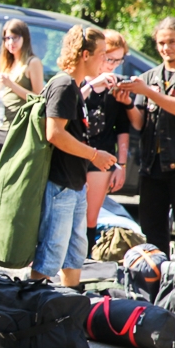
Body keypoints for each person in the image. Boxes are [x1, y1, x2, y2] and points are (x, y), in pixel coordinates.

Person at [32, 26, 115, 288]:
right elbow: (54, 133)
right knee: (51, 253)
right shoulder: (64, 85)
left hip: (74, 184)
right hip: (60, 184)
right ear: (85, 55)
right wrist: (94, 155)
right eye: (102, 54)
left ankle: (70, 303)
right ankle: (35, 303)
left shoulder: (75, 86)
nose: (105, 61)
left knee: (74, 252)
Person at [118, 17, 175, 254]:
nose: (165, 48)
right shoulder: (150, 77)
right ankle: (157, 276)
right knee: (152, 232)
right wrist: (128, 103)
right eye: (161, 43)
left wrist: (148, 92)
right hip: (151, 166)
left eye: (172, 42)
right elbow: (139, 122)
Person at [82, 29, 131, 253]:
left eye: (118, 61)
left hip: (102, 155)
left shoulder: (117, 85)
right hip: (74, 152)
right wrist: (93, 84)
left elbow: (123, 128)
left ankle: (84, 263)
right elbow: (68, 103)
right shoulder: (81, 79)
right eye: (109, 59)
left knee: (90, 217)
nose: (112, 66)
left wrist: (121, 165)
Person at [0, 18, 44, 157]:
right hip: (0, 123)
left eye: (15, 38)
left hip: (18, 125)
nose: (10, 42)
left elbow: (38, 98)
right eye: (7, 38)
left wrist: (11, 85)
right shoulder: (8, 61)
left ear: (24, 38)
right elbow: (2, 89)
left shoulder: (32, 62)